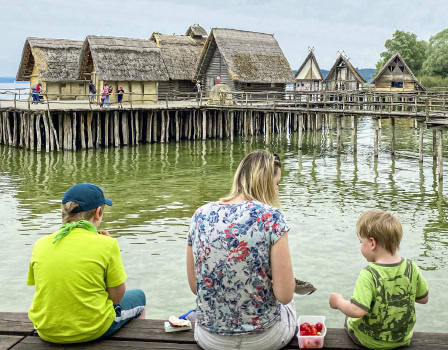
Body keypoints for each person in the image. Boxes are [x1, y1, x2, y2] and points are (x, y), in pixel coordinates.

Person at [187, 151, 296, 350]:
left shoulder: (199, 215)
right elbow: (285, 295)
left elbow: (195, 286)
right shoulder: (272, 217)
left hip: (210, 339)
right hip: (263, 340)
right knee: (290, 302)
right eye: (277, 183)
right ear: (264, 182)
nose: (278, 191)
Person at [27, 183, 146, 344]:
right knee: (140, 298)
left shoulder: (40, 244)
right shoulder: (107, 244)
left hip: (46, 330)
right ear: (98, 213)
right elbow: (116, 297)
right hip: (92, 329)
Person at [329, 209, 429, 349]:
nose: (360, 245)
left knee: (349, 319)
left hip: (370, 341)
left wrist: (338, 302)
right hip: (402, 338)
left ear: (372, 243)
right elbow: (423, 298)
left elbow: (357, 311)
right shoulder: (411, 267)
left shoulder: (369, 274)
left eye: (360, 241)